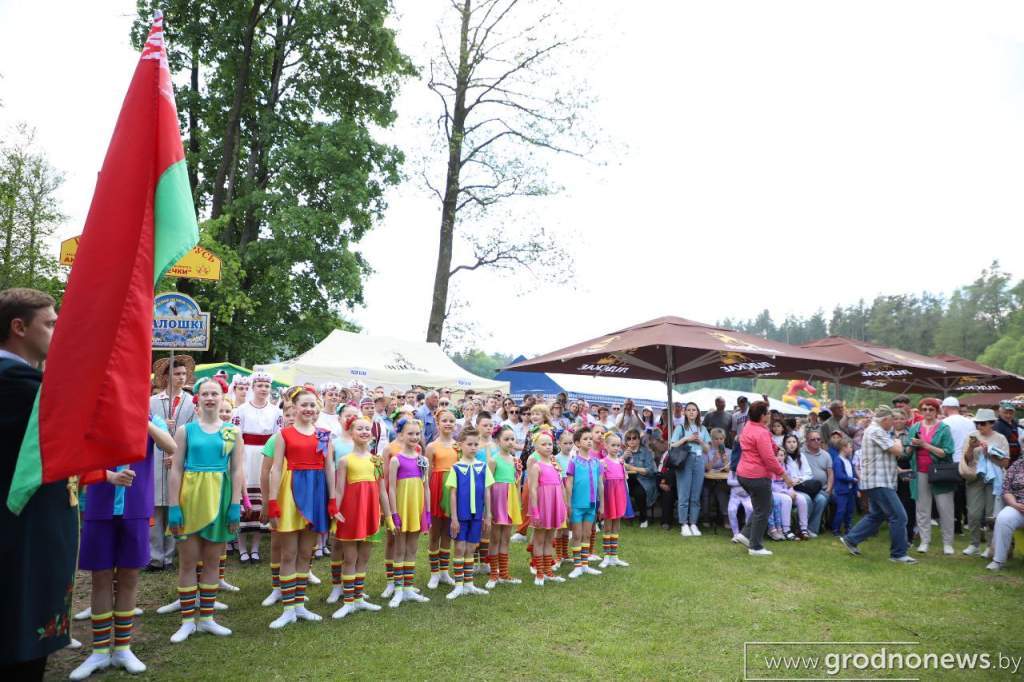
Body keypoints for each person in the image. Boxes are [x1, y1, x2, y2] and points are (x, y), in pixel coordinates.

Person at [69, 414, 177, 680]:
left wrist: (144, 421)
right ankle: (100, 650)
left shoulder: (151, 418)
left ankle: (123, 648)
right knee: (101, 577)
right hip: (99, 505)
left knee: (129, 577)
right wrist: (107, 476)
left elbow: (171, 446)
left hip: (136, 506)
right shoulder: (94, 414)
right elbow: (76, 456)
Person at [0, 289, 72, 678]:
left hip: (32, 532)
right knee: (20, 645)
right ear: (18, 327)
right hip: (21, 535)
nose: (57, 331)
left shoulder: (27, 380)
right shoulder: (14, 381)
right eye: (50, 323)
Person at [166, 379, 244, 643]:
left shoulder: (232, 431)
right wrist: (174, 507)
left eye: (215, 393)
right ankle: (188, 621)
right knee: (188, 562)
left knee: (212, 560)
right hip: (191, 497)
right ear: (197, 397)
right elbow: (175, 469)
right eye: (205, 393)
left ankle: (207, 618)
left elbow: (237, 470)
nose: (210, 398)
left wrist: (235, 504)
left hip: (220, 497)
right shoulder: (185, 431)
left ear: (223, 397)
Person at [266, 387, 334, 629]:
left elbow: (330, 468)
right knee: (288, 553)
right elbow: (275, 468)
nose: (308, 409)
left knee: (307, 553)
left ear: (317, 409)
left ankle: (299, 605)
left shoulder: (325, 435)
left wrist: (333, 499)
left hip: (316, 493)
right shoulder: (284, 434)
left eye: (312, 405)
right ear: (294, 408)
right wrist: (272, 502)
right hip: (291, 493)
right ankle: (287, 608)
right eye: (303, 405)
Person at [331, 414, 392, 619]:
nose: (365, 432)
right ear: (351, 432)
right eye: (360, 428)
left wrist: (389, 517)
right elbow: (339, 490)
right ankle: (349, 600)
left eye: (367, 429)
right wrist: (334, 512)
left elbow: (382, 491)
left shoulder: (376, 460)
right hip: (350, 513)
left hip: (370, 512)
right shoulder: (344, 460)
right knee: (350, 557)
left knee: (364, 557)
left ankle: (358, 597)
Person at [839, 406, 916, 564]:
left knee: (877, 515)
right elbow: (897, 451)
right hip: (879, 481)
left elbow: (883, 456)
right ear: (885, 420)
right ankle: (898, 554)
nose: (894, 423)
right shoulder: (877, 431)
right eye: (892, 420)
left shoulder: (875, 430)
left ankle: (851, 539)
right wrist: (897, 441)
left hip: (878, 480)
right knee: (899, 516)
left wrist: (899, 470)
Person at [149, 354, 197, 571]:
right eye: (177, 374)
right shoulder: (152, 402)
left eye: (184, 374)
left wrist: (178, 454)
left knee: (174, 505)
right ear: (166, 376)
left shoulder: (191, 402)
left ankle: (169, 556)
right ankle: (154, 557)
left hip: (178, 459)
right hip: (154, 460)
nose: (181, 378)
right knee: (155, 508)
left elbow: (194, 432)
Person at [230, 371, 282, 563]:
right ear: (253, 388)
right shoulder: (241, 410)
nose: (263, 389)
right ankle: (242, 547)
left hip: (265, 456)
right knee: (246, 498)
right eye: (259, 385)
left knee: (262, 498)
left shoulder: (277, 412)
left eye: (267, 386)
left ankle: (255, 548)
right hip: (246, 455)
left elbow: (278, 437)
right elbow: (236, 436)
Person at [735, 401, 796, 556]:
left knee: (760, 508)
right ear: (762, 416)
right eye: (767, 413)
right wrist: (785, 476)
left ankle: (745, 535)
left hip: (744, 474)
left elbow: (768, 444)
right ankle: (755, 547)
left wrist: (776, 448)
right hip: (757, 476)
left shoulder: (750, 426)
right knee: (764, 509)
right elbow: (769, 459)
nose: (770, 415)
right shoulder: (761, 432)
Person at [444, 428, 493, 599]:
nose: (473, 447)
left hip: (477, 516)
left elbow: (487, 492)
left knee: (472, 547)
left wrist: (488, 515)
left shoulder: (483, 467)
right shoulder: (456, 468)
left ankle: (469, 583)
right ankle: (458, 585)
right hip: (461, 516)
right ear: (460, 445)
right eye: (469, 444)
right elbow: (452, 494)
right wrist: (454, 518)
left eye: (475, 444)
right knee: (459, 547)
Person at [387, 418, 431, 608]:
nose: (414, 437)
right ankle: (398, 589)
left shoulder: (423, 461)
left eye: (417, 434)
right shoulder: (396, 460)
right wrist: (394, 513)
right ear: (401, 435)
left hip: (417, 507)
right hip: (402, 507)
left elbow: (426, 487)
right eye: (410, 433)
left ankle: (408, 587)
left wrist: (427, 512)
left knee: (412, 548)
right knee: (400, 548)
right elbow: (391, 489)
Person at [258, 400, 296, 607]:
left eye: (294, 413)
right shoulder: (276, 438)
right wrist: (266, 501)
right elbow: (265, 471)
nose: (292, 418)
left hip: (300, 492)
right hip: (280, 493)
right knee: (277, 541)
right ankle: (276, 587)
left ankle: (298, 578)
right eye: (288, 414)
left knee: (301, 539)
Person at [907, 398, 956, 555]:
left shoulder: (944, 428)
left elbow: (947, 452)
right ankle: (924, 541)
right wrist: (912, 446)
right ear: (920, 410)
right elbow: (908, 453)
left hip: (940, 472)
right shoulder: (914, 427)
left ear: (937, 411)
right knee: (922, 508)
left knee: (945, 508)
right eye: (925, 409)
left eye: (931, 409)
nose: (927, 412)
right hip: (919, 471)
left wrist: (925, 445)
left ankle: (948, 543)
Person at [959, 409, 1009, 558]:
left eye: (982, 423)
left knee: (991, 515)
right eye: (977, 423)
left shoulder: (1000, 438)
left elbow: (1005, 463)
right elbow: (967, 460)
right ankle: (974, 544)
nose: (979, 426)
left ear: (992, 424)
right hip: (975, 477)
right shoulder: (971, 436)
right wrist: (971, 448)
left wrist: (990, 453)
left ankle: (989, 546)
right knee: (973, 513)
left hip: (994, 480)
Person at [527, 430, 567, 587]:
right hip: (543, 506)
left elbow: (561, 486)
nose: (548, 447)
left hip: (555, 506)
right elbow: (533, 489)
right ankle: (539, 572)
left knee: (550, 539)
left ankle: (548, 571)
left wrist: (563, 506)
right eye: (543, 444)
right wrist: (535, 511)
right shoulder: (536, 466)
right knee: (539, 539)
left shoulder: (556, 465)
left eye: (550, 444)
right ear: (536, 447)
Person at [485, 425, 523, 589]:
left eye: (512, 439)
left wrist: (518, 503)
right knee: (495, 538)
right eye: (506, 439)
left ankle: (504, 573)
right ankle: (494, 574)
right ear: (498, 441)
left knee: (506, 537)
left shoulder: (515, 460)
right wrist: (488, 509)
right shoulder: (493, 460)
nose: (510, 442)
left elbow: (517, 483)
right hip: (497, 499)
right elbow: (488, 484)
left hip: (511, 499)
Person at [425, 409, 458, 590]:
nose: (448, 423)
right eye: (444, 420)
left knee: (448, 531)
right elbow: (428, 473)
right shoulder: (431, 447)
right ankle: (434, 573)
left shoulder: (458, 446)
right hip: (437, 488)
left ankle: (444, 571)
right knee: (435, 532)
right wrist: (427, 495)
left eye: (451, 421)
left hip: (452, 489)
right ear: (438, 423)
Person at [565, 428, 603, 578]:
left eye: (590, 438)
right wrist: (568, 504)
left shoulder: (596, 462)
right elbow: (569, 484)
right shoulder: (573, 462)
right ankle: (577, 566)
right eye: (585, 439)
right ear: (577, 443)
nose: (589, 441)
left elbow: (600, 484)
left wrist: (603, 504)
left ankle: (585, 565)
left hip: (591, 505)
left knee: (587, 534)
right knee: (577, 535)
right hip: (576, 505)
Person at [671, 402, 710, 537]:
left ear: (698, 412)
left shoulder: (703, 429)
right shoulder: (680, 427)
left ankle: (693, 523)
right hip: (685, 460)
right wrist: (687, 438)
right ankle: (684, 524)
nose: (692, 412)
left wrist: (700, 441)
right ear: (685, 412)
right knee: (684, 493)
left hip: (699, 460)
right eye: (689, 410)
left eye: (694, 410)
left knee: (696, 493)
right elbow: (672, 445)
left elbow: (707, 449)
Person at [987, 455, 1024, 570]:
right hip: (1018, 506)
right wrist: (1014, 504)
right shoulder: (1017, 465)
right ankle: (998, 560)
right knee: (1003, 518)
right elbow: (1006, 489)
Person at [599, 433, 630, 568]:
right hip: (608, 494)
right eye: (613, 445)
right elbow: (601, 482)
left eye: (618, 445)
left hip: (619, 494)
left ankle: (614, 555)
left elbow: (624, 480)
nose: (616, 448)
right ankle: (606, 556)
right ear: (606, 446)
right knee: (608, 525)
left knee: (616, 524)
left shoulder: (621, 462)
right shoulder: (603, 462)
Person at [800, 428, 833, 537]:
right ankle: (802, 528)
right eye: (813, 439)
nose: (816, 441)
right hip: (804, 487)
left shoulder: (826, 455)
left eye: (819, 439)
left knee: (821, 499)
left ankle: (812, 529)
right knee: (807, 500)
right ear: (807, 441)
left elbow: (830, 473)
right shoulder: (801, 453)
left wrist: (829, 488)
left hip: (821, 489)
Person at [624, 429, 657, 528]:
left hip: (643, 480)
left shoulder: (646, 452)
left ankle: (643, 518)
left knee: (639, 492)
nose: (631, 441)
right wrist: (623, 457)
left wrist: (633, 468)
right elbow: (615, 466)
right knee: (620, 490)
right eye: (628, 439)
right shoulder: (624, 452)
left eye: (634, 438)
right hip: (627, 480)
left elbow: (651, 470)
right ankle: (627, 517)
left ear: (639, 440)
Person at [781, 434, 812, 539]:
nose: (792, 444)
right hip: (785, 486)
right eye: (789, 442)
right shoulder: (782, 457)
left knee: (814, 494)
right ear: (784, 444)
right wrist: (790, 481)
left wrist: (799, 479)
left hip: (799, 484)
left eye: (794, 442)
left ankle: (804, 528)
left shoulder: (801, 456)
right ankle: (787, 529)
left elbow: (808, 473)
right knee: (805, 499)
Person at [702, 428, 731, 530]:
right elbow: (706, 469)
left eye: (721, 439)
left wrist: (725, 460)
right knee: (706, 492)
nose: (719, 441)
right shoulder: (707, 451)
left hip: (723, 480)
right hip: (708, 479)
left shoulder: (729, 452)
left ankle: (726, 518)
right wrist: (714, 459)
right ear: (712, 439)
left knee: (721, 490)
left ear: (724, 439)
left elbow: (728, 470)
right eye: (716, 439)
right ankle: (706, 517)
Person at [831, 437, 859, 536]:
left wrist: (856, 489)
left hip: (850, 490)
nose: (851, 449)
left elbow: (853, 474)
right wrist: (852, 479)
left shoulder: (848, 460)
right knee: (841, 510)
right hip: (842, 491)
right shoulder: (838, 461)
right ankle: (836, 529)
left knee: (850, 510)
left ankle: (848, 528)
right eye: (850, 447)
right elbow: (839, 475)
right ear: (843, 448)